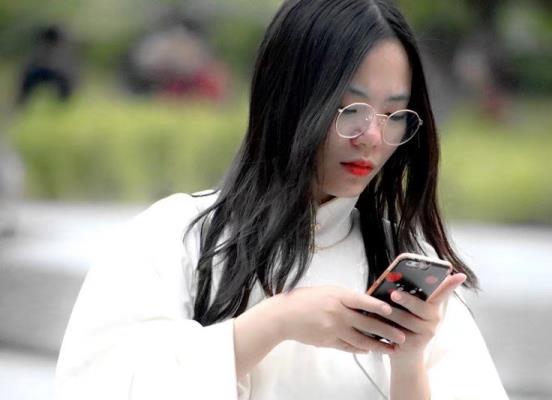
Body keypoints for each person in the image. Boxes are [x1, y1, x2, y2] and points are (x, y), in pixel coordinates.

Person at [56, 1, 508, 399]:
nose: (372, 136)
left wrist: (409, 362)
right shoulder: (176, 236)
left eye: (393, 114)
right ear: (288, 97)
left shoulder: (405, 268)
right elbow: (99, 383)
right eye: (350, 108)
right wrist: (274, 323)